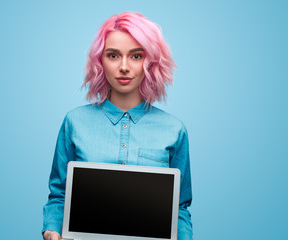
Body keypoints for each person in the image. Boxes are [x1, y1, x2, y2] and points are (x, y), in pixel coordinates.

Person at [42, 11, 193, 240]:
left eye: (136, 56)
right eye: (113, 55)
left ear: (150, 62)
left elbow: (179, 208)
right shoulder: (75, 122)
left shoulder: (174, 130)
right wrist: (52, 230)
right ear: (100, 61)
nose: (124, 67)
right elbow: (59, 195)